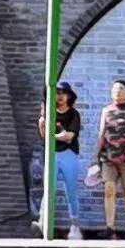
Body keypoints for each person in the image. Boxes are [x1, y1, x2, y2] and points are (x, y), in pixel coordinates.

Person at [95, 79, 125, 239]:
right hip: (108, 157)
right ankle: (110, 227)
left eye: (121, 88)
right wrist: (96, 156)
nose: (117, 90)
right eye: (115, 88)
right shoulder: (106, 110)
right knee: (109, 190)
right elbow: (101, 133)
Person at [50, 82, 87, 239]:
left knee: (71, 191)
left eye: (64, 92)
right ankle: (44, 223)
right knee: (49, 190)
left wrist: (52, 135)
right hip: (51, 154)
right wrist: (45, 127)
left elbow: (69, 136)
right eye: (58, 92)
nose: (60, 95)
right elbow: (44, 135)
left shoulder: (74, 114)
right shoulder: (50, 112)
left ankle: (75, 226)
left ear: (69, 96)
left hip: (68, 154)